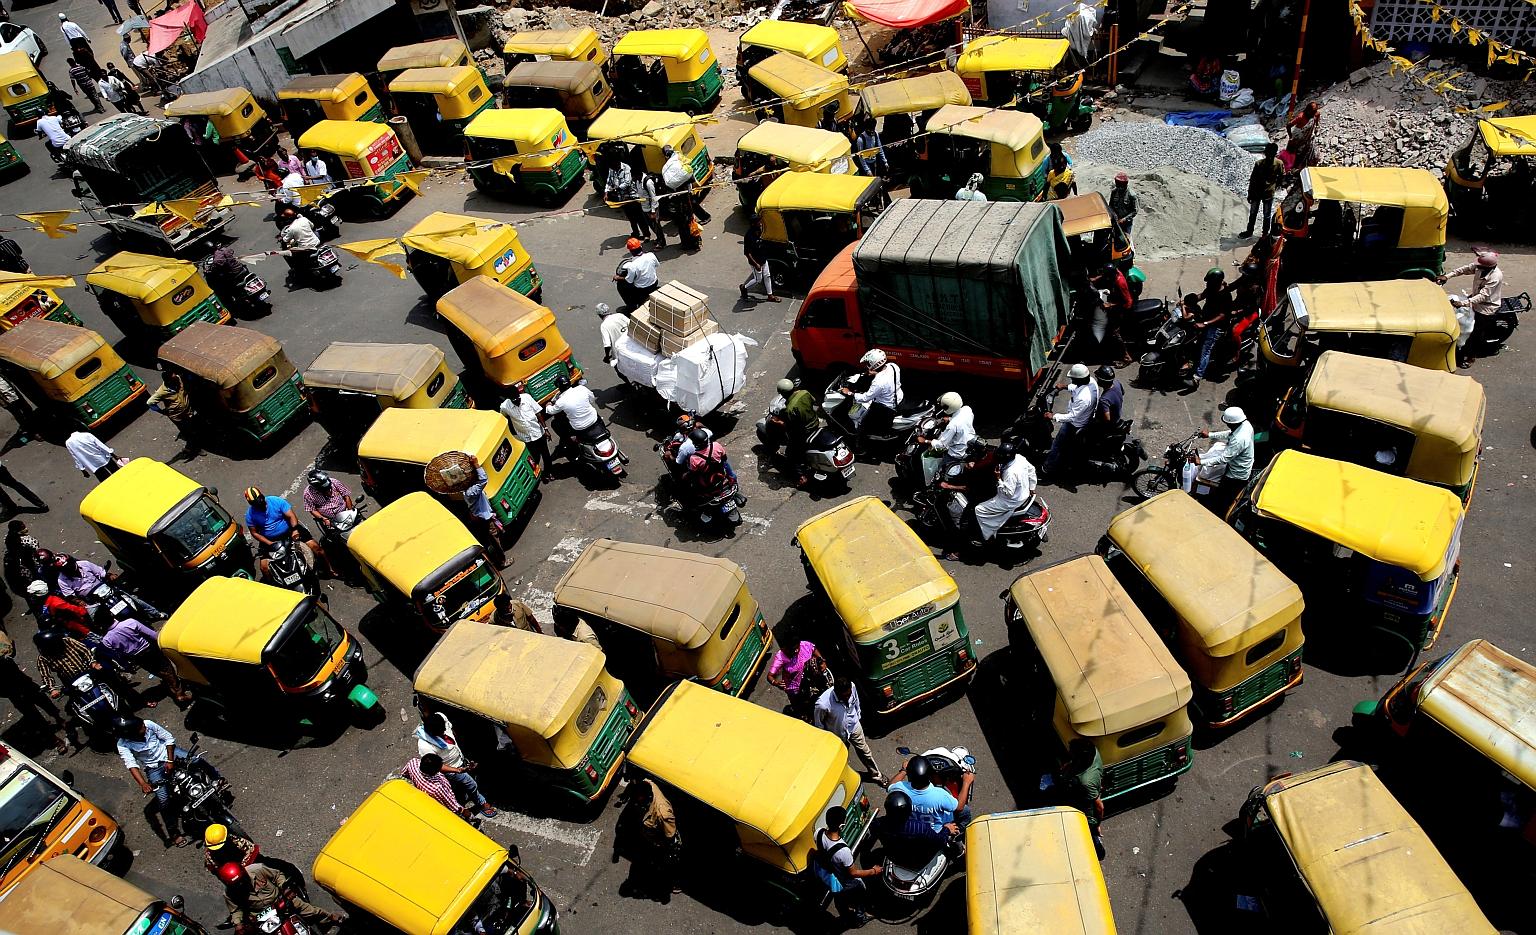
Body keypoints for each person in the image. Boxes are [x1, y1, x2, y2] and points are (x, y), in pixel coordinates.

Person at [115, 715, 224, 847]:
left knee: (196, 760)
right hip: (153, 768)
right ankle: (174, 833)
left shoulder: (148, 723)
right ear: (130, 734)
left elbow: (168, 738)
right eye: (140, 728)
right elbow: (131, 764)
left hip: (169, 754)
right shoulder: (123, 745)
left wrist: (170, 760)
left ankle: (217, 779)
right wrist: (143, 783)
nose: (144, 727)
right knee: (163, 800)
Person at [219, 861, 343, 932]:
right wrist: (238, 924)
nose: (240, 885)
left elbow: (278, 876)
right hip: (260, 916)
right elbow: (235, 910)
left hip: (281, 901)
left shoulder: (258, 869)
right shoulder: (229, 893)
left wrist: (285, 888)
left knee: (308, 910)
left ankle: (331, 917)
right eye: (236, 884)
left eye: (241, 881)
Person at [0, 627, 69, 754]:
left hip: (20, 680)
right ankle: (54, 739)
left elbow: (9, 650)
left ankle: (59, 718)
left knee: (42, 699)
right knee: (32, 714)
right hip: (9, 690)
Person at [415, 712, 498, 817]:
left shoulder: (441, 718)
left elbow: (452, 732)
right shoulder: (425, 746)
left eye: (443, 729)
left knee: (465, 784)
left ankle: (463, 793)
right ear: (432, 733)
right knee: (471, 784)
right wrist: (458, 770)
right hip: (452, 769)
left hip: (461, 759)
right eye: (440, 732)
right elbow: (437, 766)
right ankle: (481, 803)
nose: (444, 732)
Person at [813, 805, 881, 927]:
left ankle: (844, 914)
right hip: (843, 881)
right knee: (860, 895)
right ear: (841, 826)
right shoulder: (843, 851)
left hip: (828, 875)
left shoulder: (818, 832)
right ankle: (860, 918)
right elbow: (853, 873)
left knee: (839, 899)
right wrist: (874, 871)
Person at [614, 777, 681, 902]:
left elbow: (670, 837)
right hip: (650, 837)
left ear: (647, 798)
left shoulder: (662, 813)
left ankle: (672, 884)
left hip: (661, 842)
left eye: (639, 800)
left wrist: (664, 851)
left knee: (667, 866)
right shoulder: (646, 784)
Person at [99, 613, 191, 702]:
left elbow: (117, 654)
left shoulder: (107, 640)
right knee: (168, 670)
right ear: (111, 616)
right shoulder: (130, 622)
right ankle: (179, 693)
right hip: (150, 650)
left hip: (137, 657)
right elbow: (152, 635)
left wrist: (127, 664)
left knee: (158, 671)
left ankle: (173, 687)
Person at [244, 487, 335, 577]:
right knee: (264, 567)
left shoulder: (275, 501)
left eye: (261, 499)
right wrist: (270, 543)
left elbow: (291, 516)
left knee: (316, 548)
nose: (260, 503)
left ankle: (329, 570)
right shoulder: (250, 515)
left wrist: (294, 530)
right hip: (270, 539)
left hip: (290, 530)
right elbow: (254, 532)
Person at [813, 674, 886, 785]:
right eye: (844, 696)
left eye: (849, 695)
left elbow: (856, 702)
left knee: (865, 752)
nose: (848, 698)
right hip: (836, 735)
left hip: (854, 726)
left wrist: (858, 717)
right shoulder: (822, 704)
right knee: (840, 759)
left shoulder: (852, 686)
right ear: (836, 692)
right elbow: (819, 724)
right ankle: (845, 780)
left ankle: (876, 775)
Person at [1440, 250, 1504, 367]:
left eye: (1479, 265)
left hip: (1486, 307)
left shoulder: (1495, 276)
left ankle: (1470, 357)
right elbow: (1463, 270)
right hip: (1473, 299)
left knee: (1474, 334)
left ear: (1488, 267)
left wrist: (1463, 303)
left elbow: (1483, 295)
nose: (1477, 266)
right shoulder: (1480, 267)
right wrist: (1447, 276)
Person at [971, 439, 1036, 546]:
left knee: (979, 509)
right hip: (1023, 494)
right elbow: (1032, 470)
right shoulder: (1019, 458)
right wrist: (1032, 487)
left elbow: (1008, 493)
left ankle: (987, 535)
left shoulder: (1011, 473)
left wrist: (998, 479)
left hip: (1010, 500)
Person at [888, 754, 973, 834]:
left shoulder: (901, 788)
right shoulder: (939, 795)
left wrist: (903, 771)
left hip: (913, 826)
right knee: (965, 810)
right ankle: (959, 833)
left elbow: (890, 786)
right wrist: (966, 782)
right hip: (936, 831)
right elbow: (959, 807)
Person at [839, 348, 902, 455]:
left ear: (874, 364)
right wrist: (874, 373)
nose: (867, 365)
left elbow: (865, 398)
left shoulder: (878, 382)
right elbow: (885, 378)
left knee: (862, 424)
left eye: (868, 363)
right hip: (898, 397)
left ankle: (860, 448)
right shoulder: (893, 366)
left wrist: (849, 393)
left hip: (885, 407)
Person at [1041, 364, 1099, 478]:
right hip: (1084, 418)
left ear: (1078, 379)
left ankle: (1047, 469)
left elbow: (1072, 417)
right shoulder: (1090, 381)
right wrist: (1065, 386)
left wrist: (1053, 416)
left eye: (1073, 379)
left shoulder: (1084, 398)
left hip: (1075, 424)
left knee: (1057, 445)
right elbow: (1077, 387)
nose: (1071, 380)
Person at [1196, 406, 1254, 514]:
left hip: (1236, 475)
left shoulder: (1239, 439)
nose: (1227, 424)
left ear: (1232, 423)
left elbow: (1224, 458)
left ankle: (1217, 513)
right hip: (1238, 465)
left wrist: (1201, 462)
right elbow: (1229, 433)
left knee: (1223, 497)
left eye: (1228, 423)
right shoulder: (1244, 424)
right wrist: (1210, 435)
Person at [1056, 738, 1105, 858]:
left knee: (1089, 829)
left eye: (1072, 751)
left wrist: (1097, 824)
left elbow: (1099, 806)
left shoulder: (1085, 782)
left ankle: (1097, 847)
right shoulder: (1093, 752)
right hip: (1082, 794)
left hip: (1086, 810)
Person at [766, 626, 828, 721]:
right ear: (786, 647)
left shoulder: (805, 645)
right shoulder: (780, 657)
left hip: (808, 681)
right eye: (792, 649)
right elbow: (770, 676)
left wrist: (822, 660)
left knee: (810, 698)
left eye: (797, 648)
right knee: (799, 706)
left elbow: (814, 649)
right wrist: (776, 683)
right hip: (794, 689)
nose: (796, 651)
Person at [459, 455, 509, 569]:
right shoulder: (471, 491)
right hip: (484, 519)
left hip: (481, 518)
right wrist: (476, 465)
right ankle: (502, 561)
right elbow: (483, 479)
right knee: (494, 539)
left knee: (490, 538)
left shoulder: (466, 491)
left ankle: (494, 556)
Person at [1186, 268, 1232, 389]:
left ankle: (1197, 378)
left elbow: (1222, 316)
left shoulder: (1225, 295)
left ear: (1216, 282)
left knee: (1206, 349)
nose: (1207, 284)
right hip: (1206, 317)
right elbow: (1202, 295)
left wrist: (1205, 324)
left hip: (1216, 325)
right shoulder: (1211, 288)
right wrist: (1189, 301)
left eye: (1209, 282)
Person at [771, 378, 820, 487]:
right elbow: (813, 401)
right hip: (815, 423)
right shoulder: (805, 393)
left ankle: (802, 477)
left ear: (783, 394)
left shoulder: (790, 409)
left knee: (792, 455)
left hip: (805, 432)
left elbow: (789, 425)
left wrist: (778, 421)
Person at [498, 381, 552, 475]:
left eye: (517, 398)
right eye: (514, 400)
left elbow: (538, 413)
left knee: (546, 454)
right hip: (526, 437)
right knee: (533, 458)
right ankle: (535, 475)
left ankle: (548, 473)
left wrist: (546, 429)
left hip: (538, 433)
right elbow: (503, 419)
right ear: (509, 399)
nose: (517, 401)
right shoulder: (504, 407)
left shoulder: (527, 398)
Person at [403, 752, 474, 816]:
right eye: (439, 767)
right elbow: (455, 807)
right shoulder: (437, 788)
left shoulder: (413, 763)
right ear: (434, 771)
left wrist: (458, 770)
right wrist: (468, 814)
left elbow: (404, 773)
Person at [1090, 264, 1134, 366]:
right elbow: (1105, 275)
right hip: (1116, 300)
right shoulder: (1115, 271)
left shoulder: (1120, 282)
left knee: (1115, 332)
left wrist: (1111, 305)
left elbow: (1128, 302)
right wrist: (1095, 279)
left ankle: (1126, 357)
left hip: (1123, 308)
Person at [544, 374, 604, 446]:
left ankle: (573, 442)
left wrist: (548, 405)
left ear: (558, 387)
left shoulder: (560, 401)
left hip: (580, 428)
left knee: (558, 424)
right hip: (595, 420)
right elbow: (592, 399)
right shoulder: (582, 388)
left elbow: (551, 411)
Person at [1242, 143, 1284, 238]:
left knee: (1266, 215)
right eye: (1269, 153)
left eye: (1271, 154)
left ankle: (1264, 233)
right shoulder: (1259, 164)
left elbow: (1281, 177)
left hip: (1268, 193)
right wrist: (1250, 194)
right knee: (1254, 214)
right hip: (1257, 193)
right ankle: (1250, 231)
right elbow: (1253, 180)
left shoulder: (1278, 164)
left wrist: (1275, 186)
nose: (1269, 156)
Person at [926, 392, 975, 466]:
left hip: (956, 454)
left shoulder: (952, 425)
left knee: (941, 469)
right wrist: (950, 419)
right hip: (970, 445)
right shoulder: (967, 409)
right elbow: (961, 420)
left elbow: (941, 445)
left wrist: (925, 441)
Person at [604, 154, 646, 239]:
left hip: (632, 197)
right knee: (631, 218)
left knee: (639, 217)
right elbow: (609, 181)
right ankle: (636, 233)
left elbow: (627, 183)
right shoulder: (611, 169)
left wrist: (616, 189)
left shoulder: (626, 168)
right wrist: (606, 192)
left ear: (618, 163)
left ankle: (646, 234)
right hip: (622, 198)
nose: (613, 169)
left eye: (614, 167)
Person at [613, 238, 659, 313]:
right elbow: (657, 265)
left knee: (621, 285)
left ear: (631, 251)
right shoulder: (651, 255)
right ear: (641, 247)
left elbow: (629, 280)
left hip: (642, 289)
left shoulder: (632, 265)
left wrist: (618, 277)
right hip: (654, 282)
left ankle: (632, 307)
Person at [739, 215, 778, 302]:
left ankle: (770, 295)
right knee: (758, 280)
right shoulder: (748, 236)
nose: (760, 223)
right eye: (758, 222)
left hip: (763, 258)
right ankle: (744, 287)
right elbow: (747, 253)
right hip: (755, 262)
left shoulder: (760, 230)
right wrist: (756, 264)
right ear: (753, 224)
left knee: (767, 276)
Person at [147, 371, 194, 437]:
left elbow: (190, 377)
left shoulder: (179, 379)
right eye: (174, 379)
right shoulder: (161, 392)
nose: (177, 378)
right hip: (177, 416)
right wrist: (162, 412)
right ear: (169, 382)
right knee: (185, 430)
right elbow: (150, 402)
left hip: (188, 411)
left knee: (192, 425)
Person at [636, 164, 666, 248]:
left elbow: (653, 198)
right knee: (652, 226)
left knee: (656, 226)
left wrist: (653, 211)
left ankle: (662, 242)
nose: (633, 179)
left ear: (638, 175)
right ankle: (659, 238)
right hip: (644, 208)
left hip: (652, 209)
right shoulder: (637, 181)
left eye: (634, 177)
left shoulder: (648, 183)